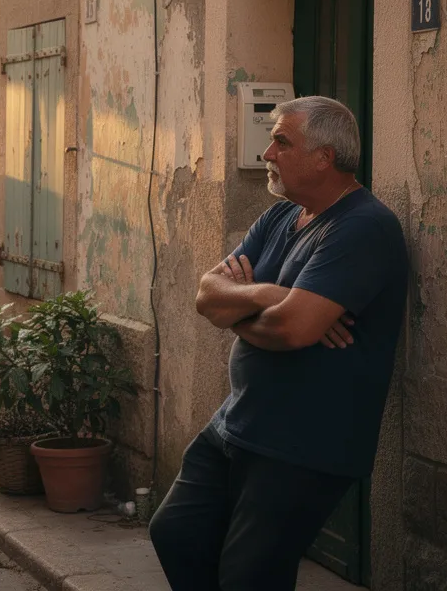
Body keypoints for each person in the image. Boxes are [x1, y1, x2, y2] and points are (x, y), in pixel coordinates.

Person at [149, 96, 408, 591]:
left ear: (324, 157)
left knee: (251, 577)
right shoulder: (281, 218)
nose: (267, 153)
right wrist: (273, 295)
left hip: (302, 443)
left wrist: (242, 309)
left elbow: (293, 330)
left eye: (281, 141)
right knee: (176, 531)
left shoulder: (363, 227)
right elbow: (206, 294)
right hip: (238, 423)